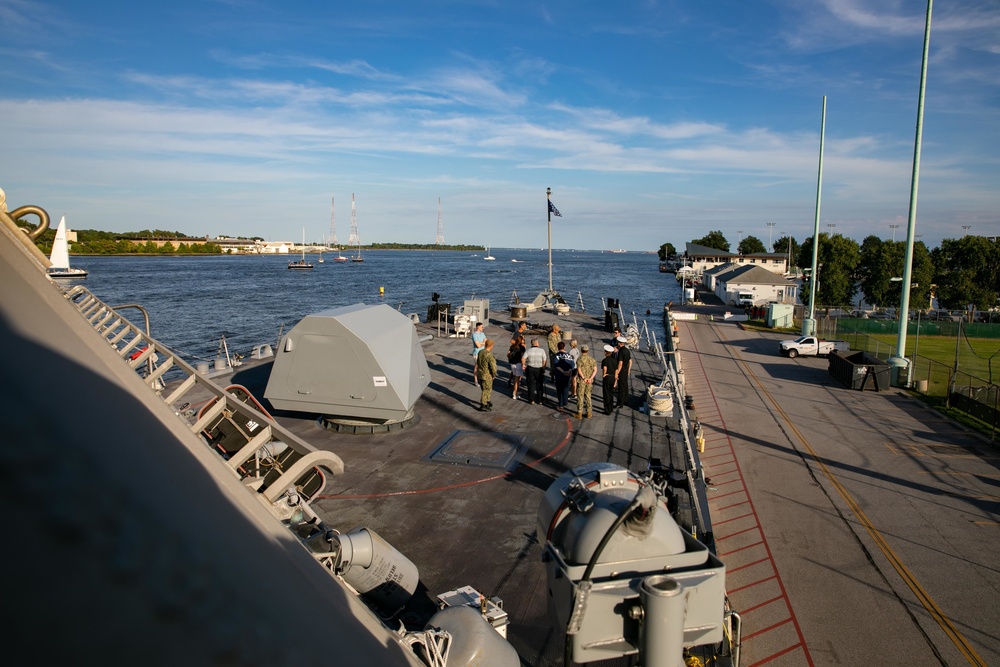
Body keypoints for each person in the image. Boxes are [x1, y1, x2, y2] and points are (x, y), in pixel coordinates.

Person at [522, 338, 548, 405]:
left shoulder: (528, 351)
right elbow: (544, 360)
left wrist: (523, 365)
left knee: (531, 384)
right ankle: (539, 400)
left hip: (530, 368)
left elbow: (523, 358)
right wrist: (543, 367)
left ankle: (532, 399)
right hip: (539, 369)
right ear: (537, 344)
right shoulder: (541, 350)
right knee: (539, 384)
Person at [575, 344, 597, 419]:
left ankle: (579, 413)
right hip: (589, 381)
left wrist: (584, 378)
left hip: (582, 380)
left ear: (581, 351)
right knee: (588, 396)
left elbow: (579, 370)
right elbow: (595, 370)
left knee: (580, 396)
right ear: (587, 351)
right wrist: (590, 378)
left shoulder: (579, 359)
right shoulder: (592, 359)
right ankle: (589, 412)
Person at [476, 338, 497, 411]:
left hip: (480, 373)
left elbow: (478, 362)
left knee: (485, 388)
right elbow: (493, 366)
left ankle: (487, 401)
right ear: (490, 346)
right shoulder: (489, 355)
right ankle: (483, 404)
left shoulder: (480, 352)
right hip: (487, 374)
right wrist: (494, 374)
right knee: (487, 390)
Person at [553, 341, 574, 411]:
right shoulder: (569, 355)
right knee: (566, 389)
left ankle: (561, 404)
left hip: (559, 376)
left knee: (559, 390)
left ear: (558, 348)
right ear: (564, 347)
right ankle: (565, 401)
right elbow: (572, 365)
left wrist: (563, 372)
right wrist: (569, 371)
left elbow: (557, 366)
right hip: (567, 375)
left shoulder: (557, 355)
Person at [614, 335, 632, 410]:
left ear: (620, 343)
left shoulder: (621, 351)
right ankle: (626, 400)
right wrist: (629, 369)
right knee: (625, 385)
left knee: (621, 386)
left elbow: (620, 363)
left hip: (622, 369)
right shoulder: (627, 350)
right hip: (626, 368)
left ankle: (620, 403)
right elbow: (630, 361)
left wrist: (617, 371)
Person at [507, 333, 526, 399]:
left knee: (515, 378)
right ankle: (514, 394)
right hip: (518, 364)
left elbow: (508, 354)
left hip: (512, 364)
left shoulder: (512, 346)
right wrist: (523, 365)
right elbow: (522, 357)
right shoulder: (522, 348)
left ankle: (515, 391)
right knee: (517, 380)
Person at [600, 344, 617, 414]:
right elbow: (616, 370)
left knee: (606, 393)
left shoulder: (604, 360)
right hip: (613, 377)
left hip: (607, 377)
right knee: (611, 393)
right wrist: (616, 380)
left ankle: (607, 410)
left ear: (606, 352)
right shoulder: (615, 361)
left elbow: (604, 368)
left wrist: (604, 374)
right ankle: (611, 407)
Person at [471, 321, 486, 386]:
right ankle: (476, 380)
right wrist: (483, 343)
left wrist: (481, 343)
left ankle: (481, 379)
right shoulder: (474, 335)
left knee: (483, 367)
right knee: (477, 366)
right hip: (477, 353)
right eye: (481, 327)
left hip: (483, 352)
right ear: (478, 327)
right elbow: (478, 345)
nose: (483, 328)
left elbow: (486, 341)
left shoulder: (482, 334)